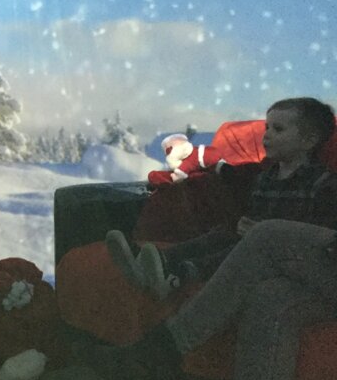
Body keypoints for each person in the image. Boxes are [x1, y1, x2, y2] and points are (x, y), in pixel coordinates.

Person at [106, 97, 337, 299]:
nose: (267, 135)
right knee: (221, 234)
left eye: (278, 129)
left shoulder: (320, 181)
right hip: (251, 236)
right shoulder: (266, 177)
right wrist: (245, 222)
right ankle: (154, 260)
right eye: (267, 127)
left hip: (281, 251)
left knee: (235, 250)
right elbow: (246, 192)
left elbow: (319, 230)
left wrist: (260, 230)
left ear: (309, 141)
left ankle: (181, 273)